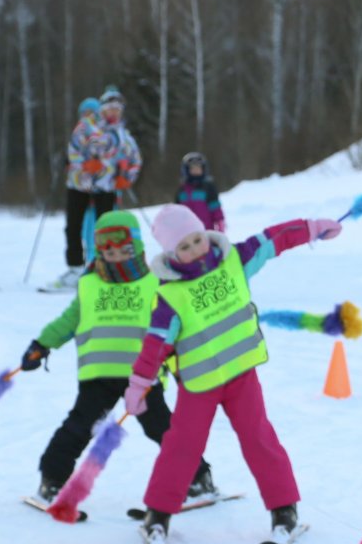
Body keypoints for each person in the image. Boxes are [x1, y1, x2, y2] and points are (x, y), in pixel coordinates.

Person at [126, 204, 343, 544]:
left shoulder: (234, 260)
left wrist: (312, 228)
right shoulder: (170, 296)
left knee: (259, 439)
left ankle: (284, 510)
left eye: (197, 239)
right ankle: (158, 516)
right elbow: (155, 346)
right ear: (171, 253)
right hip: (200, 383)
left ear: (205, 234)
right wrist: (140, 385)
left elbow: (274, 239)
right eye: (184, 247)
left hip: (242, 375)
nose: (195, 249)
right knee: (182, 446)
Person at [21, 209, 216, 506]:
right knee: (77, 429)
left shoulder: (156, 282)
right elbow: (69, 321)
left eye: (123, 249)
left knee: (163, 429)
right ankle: (52, 482)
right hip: (98, 377)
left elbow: (178, 322)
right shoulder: (89, 284)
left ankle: (198, 479)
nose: (114, 255)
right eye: (106, 250)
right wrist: (42, 344)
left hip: (143, 376)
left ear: (136, 246)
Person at [53, 87, 141, 290]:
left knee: (106, 229)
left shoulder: (122, 134)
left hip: (107, 186)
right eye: (110, 108)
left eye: (118, 109)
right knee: (73, 226)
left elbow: (134, 158)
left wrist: (126, 177)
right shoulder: (87, 126)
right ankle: (75, 269)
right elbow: (73, 150)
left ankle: (105, 267)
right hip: (79, 184)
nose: (114, 112)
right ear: (102, 109)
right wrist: (83, 165)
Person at [174, 152, 226, 232]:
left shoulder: (208, 187)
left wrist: (219, 222)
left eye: (198, 168)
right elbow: (177, 210)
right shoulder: (182, 189)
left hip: (206, 231)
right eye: (193, 168)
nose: (196, 170)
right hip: (187, 233)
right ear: (186, 170)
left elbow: (215, 207)